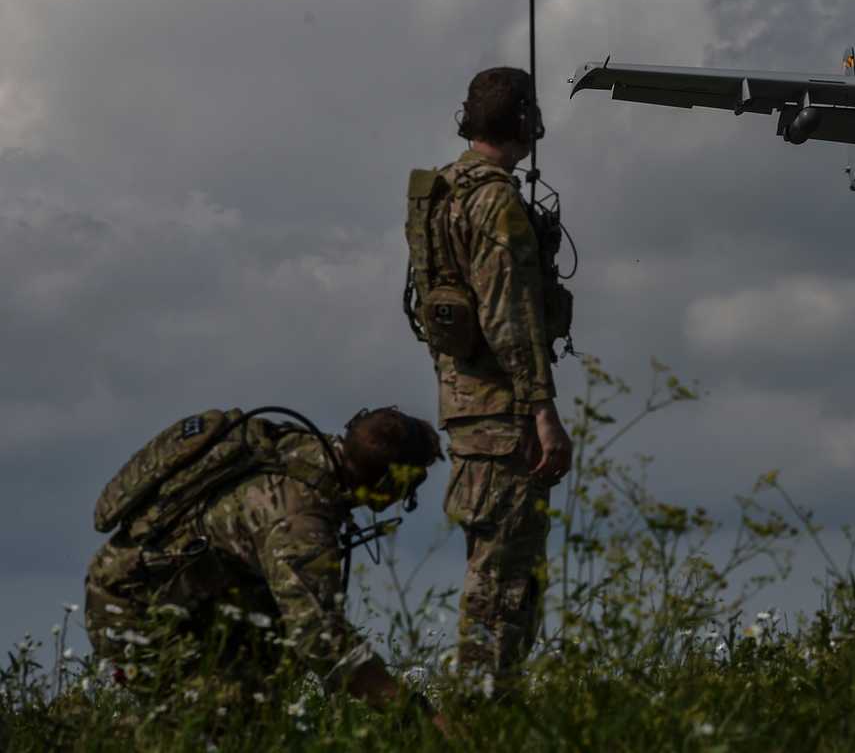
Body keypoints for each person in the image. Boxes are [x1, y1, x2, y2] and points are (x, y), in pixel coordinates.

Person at [84, 405, 447, 725]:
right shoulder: (300, 520)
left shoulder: (306, 452)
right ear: (386, 484)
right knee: (236, 715)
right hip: (130, 609)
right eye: (410, 483)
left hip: (181, 591)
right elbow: (320, 640)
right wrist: (414, 712)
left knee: (269, 668)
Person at [410, 66, 573, 678]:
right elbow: (509, 314)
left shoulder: (442, 191)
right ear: (525, 123)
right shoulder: (496, 199)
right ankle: (482, 713)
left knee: (495, 569)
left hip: (464, 405)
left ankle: (484, 704)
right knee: (505, 585)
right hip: (505, 414)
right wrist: (542, 410)